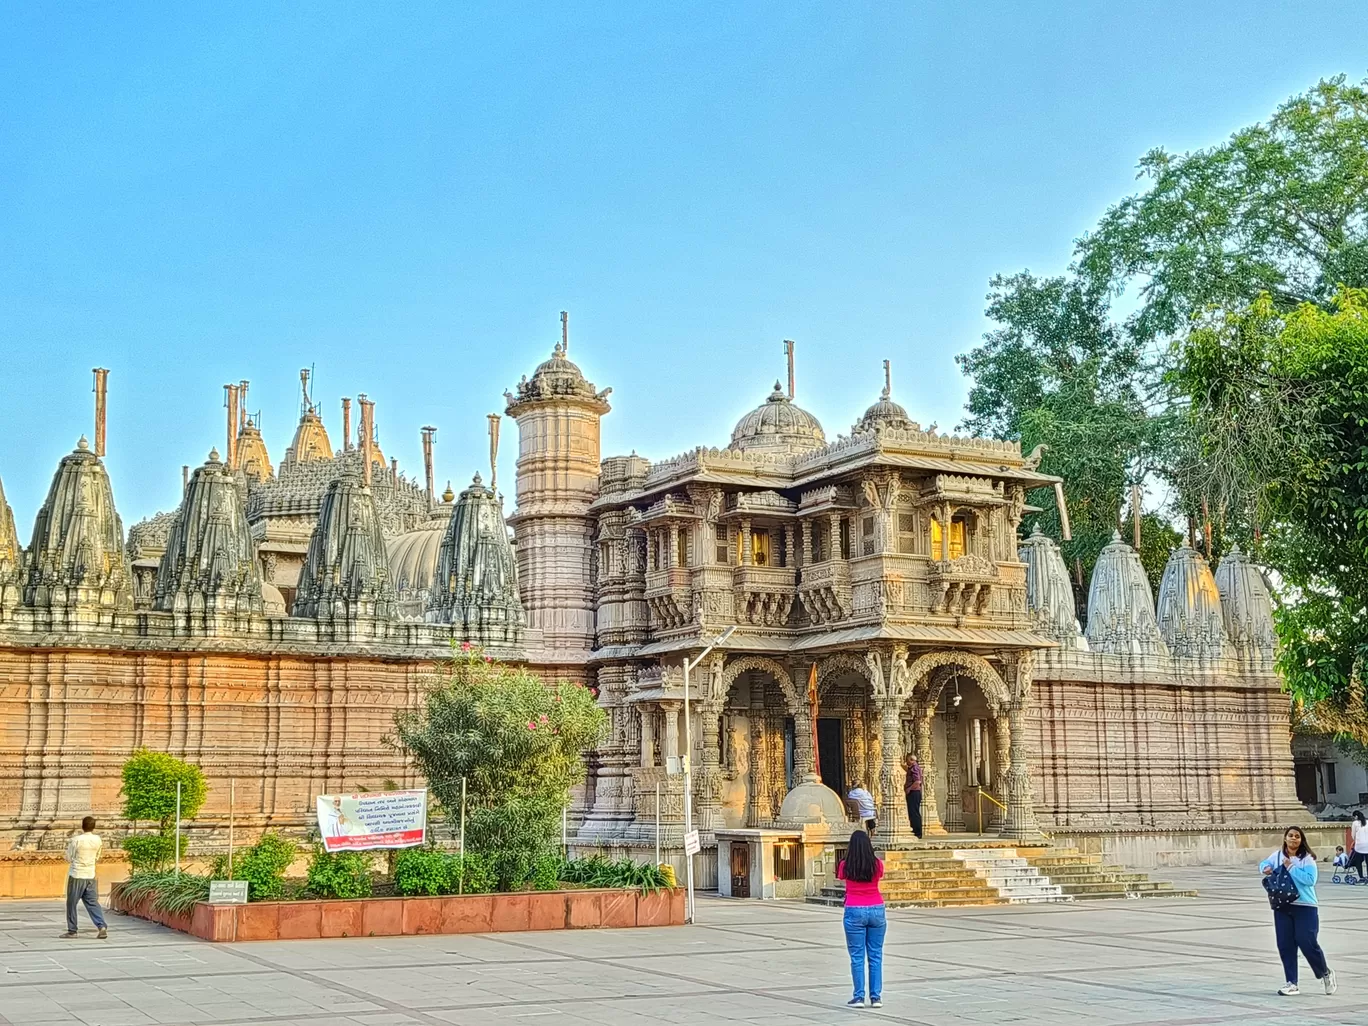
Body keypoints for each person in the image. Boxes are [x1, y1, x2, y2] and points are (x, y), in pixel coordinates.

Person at [1259, 826, 1335, 996]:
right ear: (1285, 838)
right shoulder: (1277, 856)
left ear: (1301, 840)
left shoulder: (1307, 859)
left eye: (1297, 836)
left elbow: (1310, 880)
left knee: (1306, 941)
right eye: (1290, 836)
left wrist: (1291, 867)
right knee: (1285, 944)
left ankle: (1325, 972)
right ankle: (1291, 982)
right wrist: (1264, 868)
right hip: (1283, 905)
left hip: (1305, 906)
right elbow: (1264, 864)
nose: (1294, 839)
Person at [836, 828, 886, 1008]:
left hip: (854, 909)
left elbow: (841, 877)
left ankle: (858, 996)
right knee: (875, 955)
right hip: (876, 908)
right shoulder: (877, 864)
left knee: (857, 955)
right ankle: (876, 997)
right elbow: (879, 876)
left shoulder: (845, 865)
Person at [62, 816, 107, 939]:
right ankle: (101, 925)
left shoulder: (76, 840)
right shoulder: (97, 840)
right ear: (94, 826)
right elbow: (98, 856)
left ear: (82, 826)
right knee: (92, 902)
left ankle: (72, 930)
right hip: (90, 874)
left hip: (77, 874)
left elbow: (68, 857)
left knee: (71, 903)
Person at [903, 755, 923, 839]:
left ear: (911, 760)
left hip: (914, 792)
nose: (906, 762)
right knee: (912, 812)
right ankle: (915, 830)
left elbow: (917, 781)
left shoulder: (915, 768)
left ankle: (917, 832)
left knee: (914, 812)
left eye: (907, 760)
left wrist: (909, 789)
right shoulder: (912, 768)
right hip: (914, 792)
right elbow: (907, 770)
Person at [1349, 811, 1368, 882]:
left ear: (1356, 816)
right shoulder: (1367, 822)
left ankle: (1361, 877)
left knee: (1358, 862)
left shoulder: (1355, 823)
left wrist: (1355, 840)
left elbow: (1353, 835)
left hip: (1359, 846)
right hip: (1367, 845)